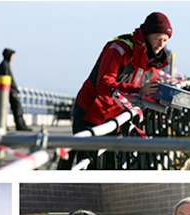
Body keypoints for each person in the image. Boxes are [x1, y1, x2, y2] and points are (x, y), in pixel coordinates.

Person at [57, 12, 172, 169]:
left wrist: (161, 98)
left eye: (165, 40)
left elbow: (144, 90)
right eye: (157, 37)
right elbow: (104, 84)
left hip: (114, 115)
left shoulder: (152, 61)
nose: (161, 43)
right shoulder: (118, 48)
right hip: (90, 110)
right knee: (83, 161)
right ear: (146, 34)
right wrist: (138, 90)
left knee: (105, 164)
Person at [0, 48, 31, 131]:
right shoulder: (5, 65)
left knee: (12, 107)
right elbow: (7, 79)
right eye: (12, 55)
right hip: (9, 90)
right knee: (17, 107)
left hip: (7, 90)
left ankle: (19, 125)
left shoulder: (5, 64)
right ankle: (20, 126)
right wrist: (14, 88)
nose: (13, 57)